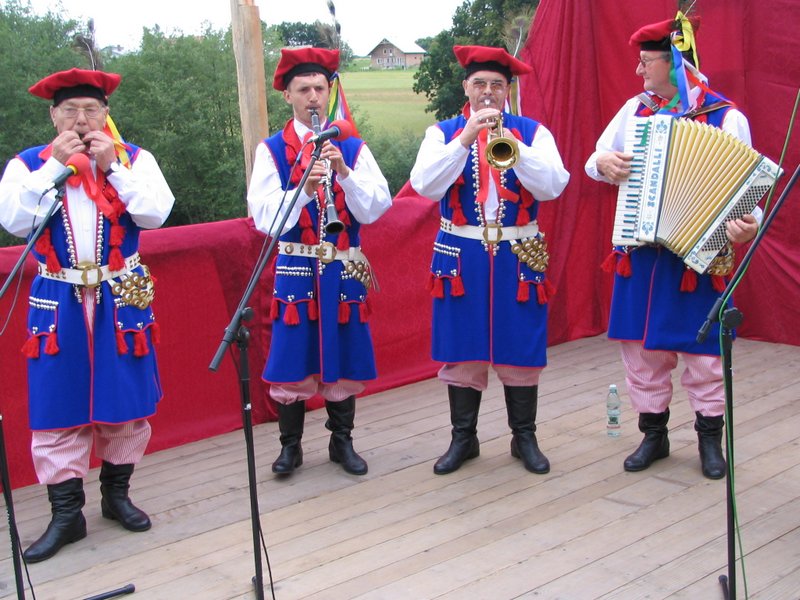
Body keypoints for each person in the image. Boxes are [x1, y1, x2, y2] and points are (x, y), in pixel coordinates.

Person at [0, 68, 174, 562]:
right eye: (71, 111)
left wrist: (112, 167)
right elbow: (15, 221)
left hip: (121, 295)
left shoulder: (134, 160)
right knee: (58, 406)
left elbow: (155, 213)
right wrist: (55, 168)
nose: (81, 120)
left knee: (126, 402)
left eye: (91, 110)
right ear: (53, 117)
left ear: (106, 115)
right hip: (58, 299)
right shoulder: (27, 166)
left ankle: (117, 496)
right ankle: (66, 515)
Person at [584, 13, 760, 479]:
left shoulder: (726, 117)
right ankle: (653, 436)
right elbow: (593, 160)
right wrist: (604, 162)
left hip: (698, 256)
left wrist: (750, 224)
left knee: (704, 352)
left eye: (647, 61)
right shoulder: (634, 111)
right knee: (642, 349)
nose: (638, 70)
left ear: (676, 63)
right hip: (640, 251)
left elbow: (748, 191)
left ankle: (709, 441)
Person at [409, 45, 570, 475]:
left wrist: (515, 146)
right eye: (479, 83)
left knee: (521, 347)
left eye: (496, 85)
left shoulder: (533, 132)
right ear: (466, 87)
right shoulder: (442, 133)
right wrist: (464, 140)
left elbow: (553, 185)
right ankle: (464, 438)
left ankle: (524, 437)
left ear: (507, 91)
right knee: (462, 347)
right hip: (462, 255)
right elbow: (424, 185)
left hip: (519, 253)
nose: (487, 92)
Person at [247, 47, 392, 477]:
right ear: (288, 96)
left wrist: (344, 172)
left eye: (319, 89)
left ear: (329, 93)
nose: (312, 97)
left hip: (342, 268)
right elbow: (263, 218)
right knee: (292, 357)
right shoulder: (272, 150)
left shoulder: (352, 146)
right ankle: (290, 447)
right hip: (296, 267)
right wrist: (304, 192)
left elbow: (377, 206)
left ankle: (341, 442)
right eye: (303, 89)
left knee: (342, 354)